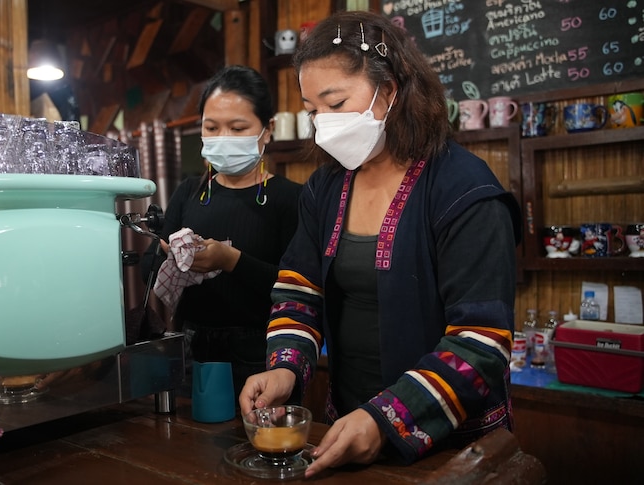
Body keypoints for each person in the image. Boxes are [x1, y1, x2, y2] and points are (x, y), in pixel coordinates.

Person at [238, 10, 521, 477]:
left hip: (454, 447)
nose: (321, 124)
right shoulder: (326, 189)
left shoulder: (463, 190)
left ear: (388, 91)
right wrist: (285, 368)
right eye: (312, 111)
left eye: (335, 102)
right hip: (345, 430)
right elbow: (298, 292)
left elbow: (481, 342)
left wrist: (385, 419)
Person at [143, 65, 303, 397]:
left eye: (238, 127)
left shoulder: (291, 198)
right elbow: (149, 271)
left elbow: (300, 288)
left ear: (267, 130)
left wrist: (232, 261)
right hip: (192, 351)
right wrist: (168, 259)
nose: (222, 139)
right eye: (212, 127)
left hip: (263, 354)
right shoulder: (189, 192)